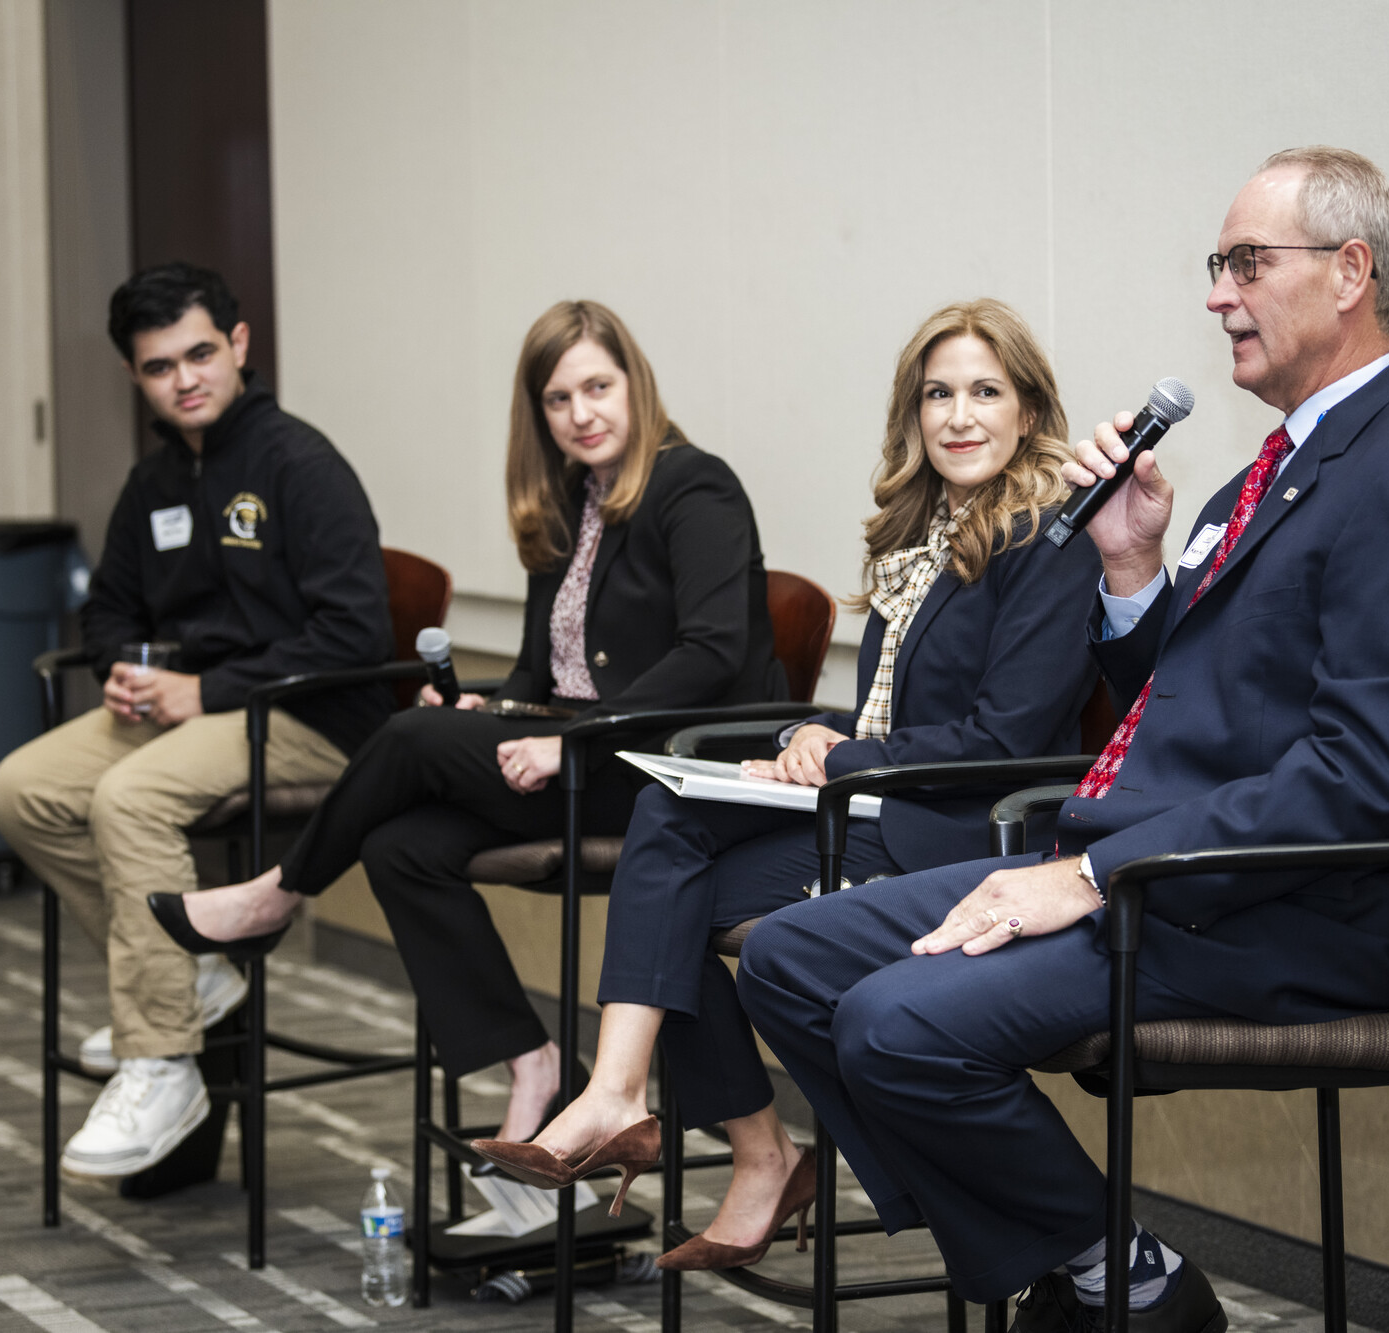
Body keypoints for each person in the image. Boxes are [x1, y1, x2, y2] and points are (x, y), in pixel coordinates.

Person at [736, 147, 1389, 1331]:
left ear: (1349, 272)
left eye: (1246, 263)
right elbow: (1189, 707)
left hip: (1268, 909)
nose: (1216, 295)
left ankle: (1096, 1274)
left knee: (892, 1026)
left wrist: (1088, 877)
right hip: (1137, 868)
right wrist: (1132, 569)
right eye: (1217, 265)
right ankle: (1095, 1263)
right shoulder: (1263, 474)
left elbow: (1357, 779)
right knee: (793, 959)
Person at [472, 298, 1105, 1271]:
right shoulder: (921, 532)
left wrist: (840, 757)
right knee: (665, 856)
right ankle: (730, 1139)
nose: (958, 415)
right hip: (890, 808)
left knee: (665, 886)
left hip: (970, 836)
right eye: (937, 394)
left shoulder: (1045, 537)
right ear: (912, 412)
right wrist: (808, 732)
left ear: (1029, 409)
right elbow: (900, 720)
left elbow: (1005, 737)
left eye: (985, 391)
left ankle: (655, 1112)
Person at [149, 299, 785, 1145]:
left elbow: (710, 653)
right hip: (578, 759)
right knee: (400, 845)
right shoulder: (570, 500)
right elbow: (538, 667)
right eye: (558, 399)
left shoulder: (694, 485)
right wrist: (496, 709)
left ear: (637, 384)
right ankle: (530, 1058)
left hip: (666, 774)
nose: (581, 414)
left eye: (598, 386)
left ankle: (278, 892)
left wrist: (571, 741)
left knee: (411, 738)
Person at [0, 262, 393, 1182]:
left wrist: (207, 692)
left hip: (310, 717)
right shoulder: (155, 481)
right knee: (23, 789)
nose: (186, 379)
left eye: (201, 353)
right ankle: (197, 975)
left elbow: (353, 633)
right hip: (191, 712)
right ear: (137, 378)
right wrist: (127, 668)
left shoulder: (301, 464)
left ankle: (163, 1059)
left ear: (239, 346)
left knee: (126, 797)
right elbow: (110, 608)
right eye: (160, 366)